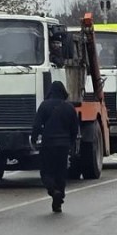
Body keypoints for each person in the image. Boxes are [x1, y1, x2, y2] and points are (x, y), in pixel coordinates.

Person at [31, 80, 79, 212]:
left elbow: (36, 125)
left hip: (48, 144)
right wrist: (71, 143)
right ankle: (58, 200)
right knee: (61, 172)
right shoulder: (69, 107)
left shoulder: (44, 106)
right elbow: (75, 129)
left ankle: (53, 190)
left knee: (46, 171)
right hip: (63, 146)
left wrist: (34, 140)